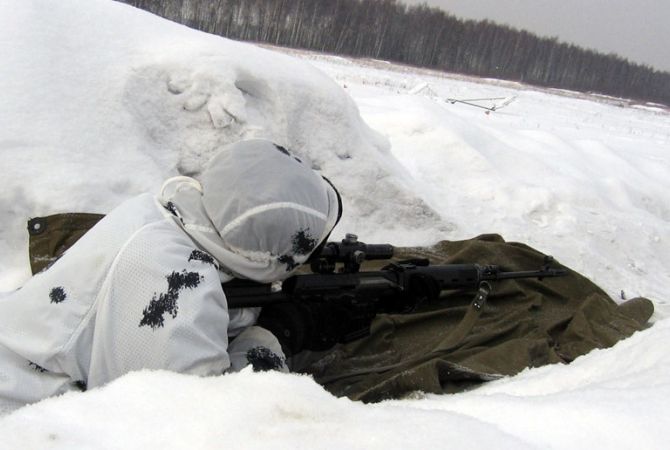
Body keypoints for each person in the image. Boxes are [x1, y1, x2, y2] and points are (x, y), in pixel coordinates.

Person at [0, 139, 342, 407]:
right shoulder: (172, 283)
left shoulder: (158, 215)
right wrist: (272, 336)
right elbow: (204, 424)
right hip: (25, 413)